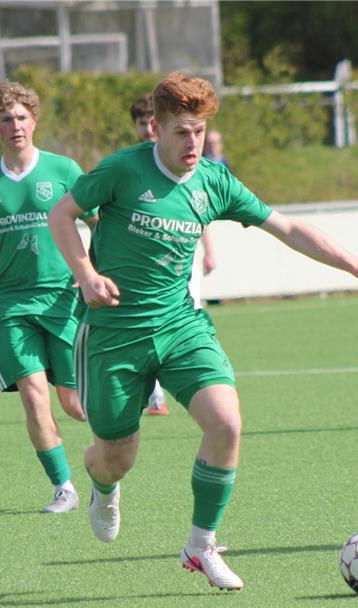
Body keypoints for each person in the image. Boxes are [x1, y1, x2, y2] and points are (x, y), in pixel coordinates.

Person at [49, 72, 358, 590]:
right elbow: (62, 213)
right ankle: (101, 484)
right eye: (182, 133)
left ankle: (200, 546)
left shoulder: (215, 181)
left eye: (201, 132)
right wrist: (86, 275)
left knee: (227, 423)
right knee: (117, 457)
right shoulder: (122, 170)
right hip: (114, 334)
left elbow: (289, 227)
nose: (194, 144)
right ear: (155, 127)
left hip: (180, 325)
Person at [0, 81, 97, 514]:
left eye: (23, 117)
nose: (16, 126)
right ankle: (64, 487)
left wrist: (96, 271)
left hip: (63, 301)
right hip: (13, 303)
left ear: (35, 121)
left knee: (74, 404)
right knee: (32, 394)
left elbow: (101, 221)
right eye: (6, 118)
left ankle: (108, 465)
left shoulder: (64, 170)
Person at [130, 93, 217, 416]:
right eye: (141, 124)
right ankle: (154, 396)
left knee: (186, 315)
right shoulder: (126, 166)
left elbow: (200, 211)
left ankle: (187, 384)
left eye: (197, 131)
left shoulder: (197, 171)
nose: (145, 130)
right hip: (141, 272)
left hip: (183, 262)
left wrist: (209, 250)